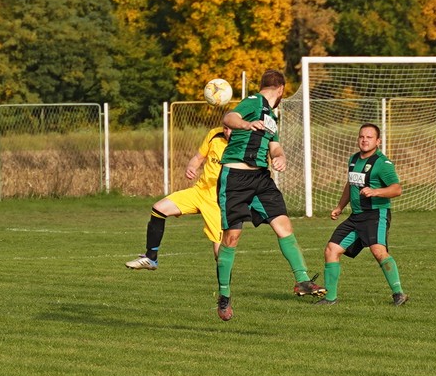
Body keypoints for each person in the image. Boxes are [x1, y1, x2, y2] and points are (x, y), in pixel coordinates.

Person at [214, 69, 325, 321]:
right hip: (235, 178)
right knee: (231, 238)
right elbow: (229, 117)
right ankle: (224, 295)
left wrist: (280, 156)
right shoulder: (254, 102)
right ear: (282, 89)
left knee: (284, 226)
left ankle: (302, 280)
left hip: (261, 179)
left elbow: (274, 145)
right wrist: (245, 124)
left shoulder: (272, 116)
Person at [318, 123, 407, 307]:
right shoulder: (353, 159)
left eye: (369, 137)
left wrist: (376, 192)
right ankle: (330, 298)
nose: (365, 140)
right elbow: (350, 184)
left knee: (378, 251)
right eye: (362, 136)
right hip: (356, 216)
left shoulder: (382, 163)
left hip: (376, 214)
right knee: (331, 250)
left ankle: (399, 293)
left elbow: (397, 189)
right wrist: (340, 206)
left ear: (378, 141)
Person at [125, 126, 232, 269]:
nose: (227, 132)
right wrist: (191, 167)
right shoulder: (214, 134)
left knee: (219, 254)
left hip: (218, 200)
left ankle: (225, 290)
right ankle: (151, 258)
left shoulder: (244, 142)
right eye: (225, 128)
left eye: (232, 129)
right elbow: (198, 157)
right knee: (159, 209)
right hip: (199, 192)